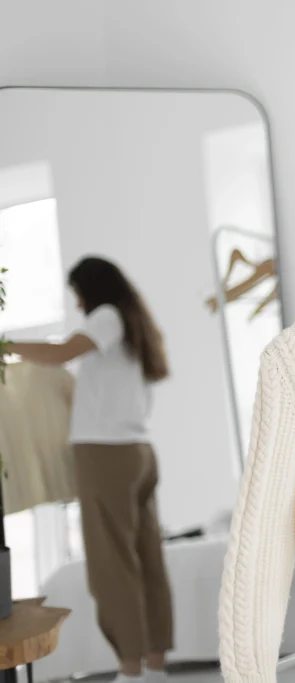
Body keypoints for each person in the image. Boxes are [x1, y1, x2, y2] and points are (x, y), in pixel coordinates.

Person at [5, 256, 174, 683]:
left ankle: (130, 670)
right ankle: (153, 667)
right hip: (138, 452)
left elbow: (62, 352)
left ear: (90, 290)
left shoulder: (106, 316)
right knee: (146, 558)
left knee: (111, 565)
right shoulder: (133, 321)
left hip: (106, 456)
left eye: (77, 293)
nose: (77, 304)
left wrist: (6, 345)